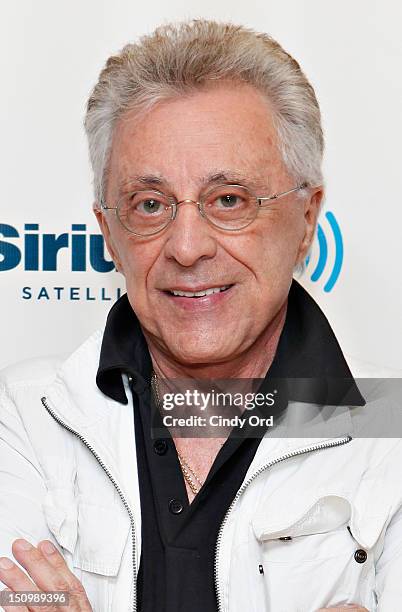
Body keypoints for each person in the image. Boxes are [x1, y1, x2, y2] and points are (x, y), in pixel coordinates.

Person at [0, 19, 400, 612]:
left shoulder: (390, 436)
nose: (187, 247)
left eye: (230, 200)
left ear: (308, 219)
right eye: (150, 204)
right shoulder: (26, 419)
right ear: (109, 231)